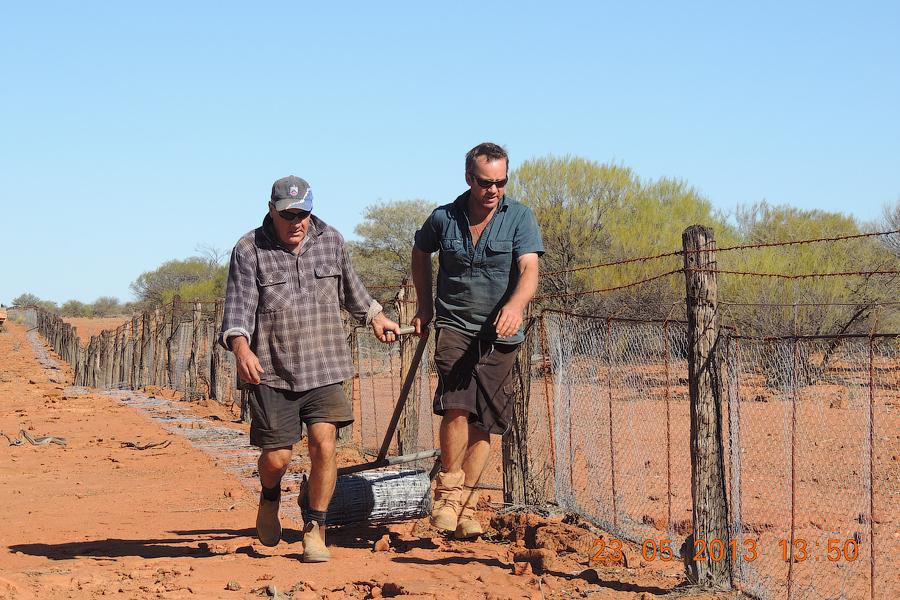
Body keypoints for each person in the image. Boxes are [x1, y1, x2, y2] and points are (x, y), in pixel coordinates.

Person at [219, 175, 401, 562]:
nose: (296, 222)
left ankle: (315, 527)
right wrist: (241, 349)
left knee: (324, 445)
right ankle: (270, 498)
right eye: (288, 214)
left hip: (325, 364)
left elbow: (354, 292)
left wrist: (377, 317)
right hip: (271, 370)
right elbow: (236, 310)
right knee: (278, 457)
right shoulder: (249, 249)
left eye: (303, 213)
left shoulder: (330, 239)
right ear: (271, 209)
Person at [410, 143, 544, 539]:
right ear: (469, 178)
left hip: (502, 335)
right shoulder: (443, 218)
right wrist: (423, 306)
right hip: (454, 324)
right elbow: (420, 252)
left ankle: (466, 506)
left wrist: (516, 305)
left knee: (484, 421)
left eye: (501, 182)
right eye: (486, 182)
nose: (494, 190)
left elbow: (529, 268)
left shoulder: (520, 218)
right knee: (456, 407)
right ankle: (448, 498)